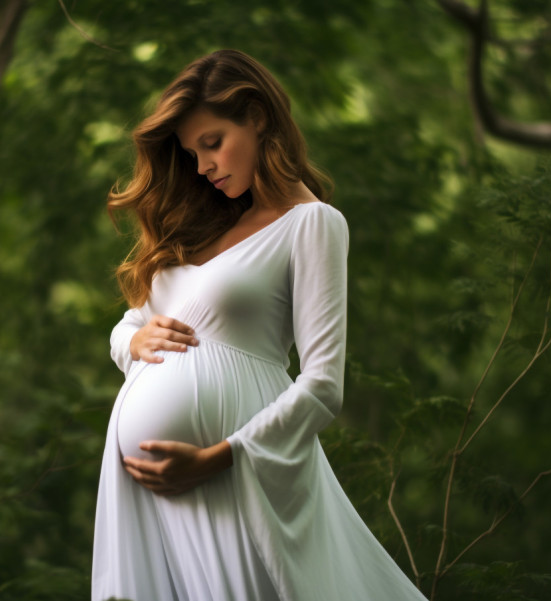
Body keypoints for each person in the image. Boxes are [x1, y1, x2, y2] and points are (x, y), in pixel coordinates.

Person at [92, 49, 427, 601]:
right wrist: (132, 338)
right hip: (154, 495)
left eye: (212, 142)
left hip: (236, 474)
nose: (202, 166)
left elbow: (323, 387)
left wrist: (217, 458)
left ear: (258, 116)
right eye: (191, 152)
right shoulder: (199, 226)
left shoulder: (312, 223)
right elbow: (130, 326)